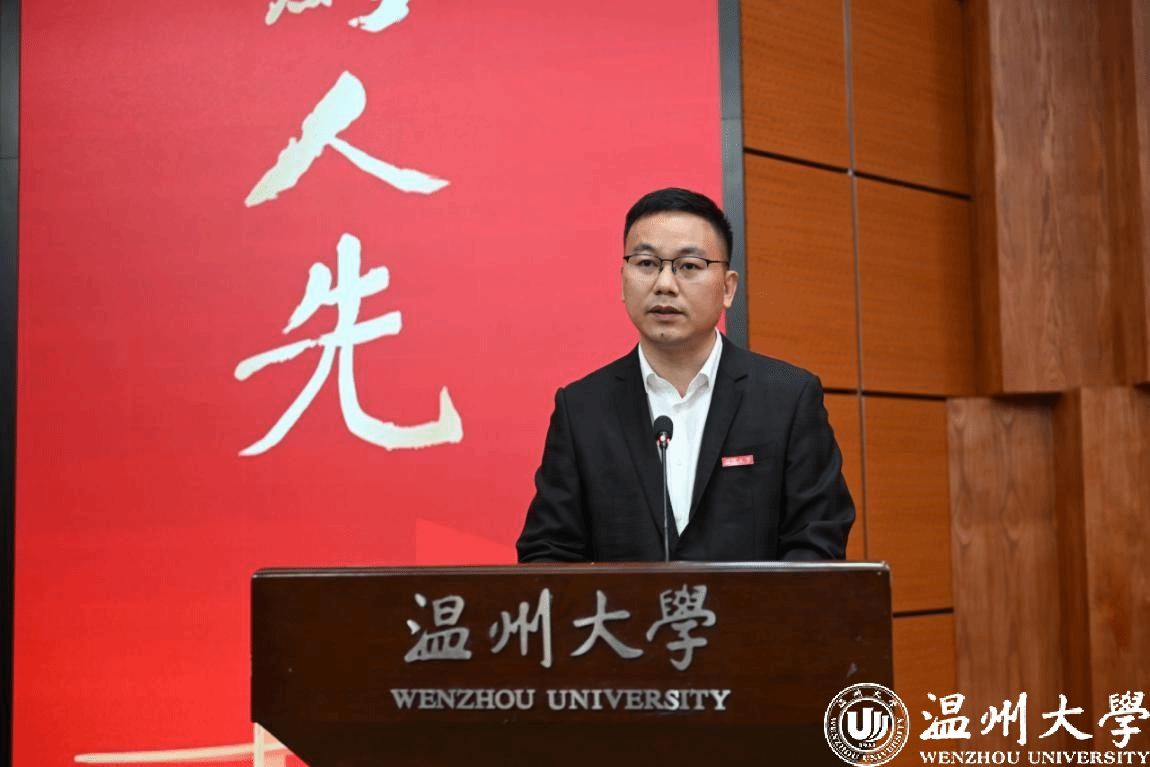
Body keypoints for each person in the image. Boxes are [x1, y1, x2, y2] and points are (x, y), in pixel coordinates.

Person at [516, 188, 854, 562]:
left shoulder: (788, 398)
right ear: (623, 280)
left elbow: (817, 543)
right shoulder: (582, 409)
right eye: (646, 263)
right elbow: (548, 552)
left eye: (689, 266)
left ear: (727, 288)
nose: (664, 284)